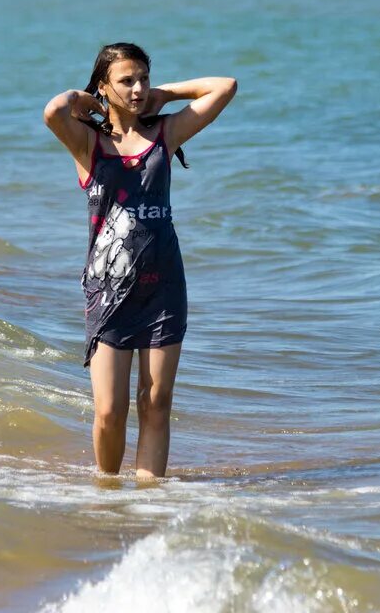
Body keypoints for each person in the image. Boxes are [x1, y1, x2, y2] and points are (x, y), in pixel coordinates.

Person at [43, 43, 237, 479]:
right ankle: (107, 494)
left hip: (164, 286)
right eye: (127, 81)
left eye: (143, 79)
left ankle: (150, 505)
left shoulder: (165, 134)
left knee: (155, 404)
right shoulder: (87, 143)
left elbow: (225, 87)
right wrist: (86, 100)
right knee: (110, 410)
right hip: (108, 290)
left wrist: (165, 94)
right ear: (105, 86)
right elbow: (55, 110)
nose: (138, 88)